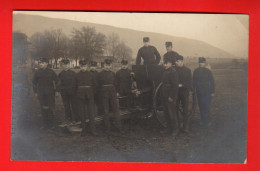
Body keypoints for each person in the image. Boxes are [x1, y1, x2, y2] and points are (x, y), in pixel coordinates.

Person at [96, 59, 123, 134]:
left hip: (112, 93)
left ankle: (119, 128)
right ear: (103, 65)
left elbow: (116, 84)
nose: (107, 67)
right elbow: (97, 85)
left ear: (110, 65)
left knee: (116, 110)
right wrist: (101, 93)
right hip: (104, 93)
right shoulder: (99, 74)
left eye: (109, 65)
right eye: (106, 65)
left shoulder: (113, 74)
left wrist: (117, 92)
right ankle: (107, 128)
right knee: (106, 111)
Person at [32, 58, 58, 129]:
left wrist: (56, 91)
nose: (41, 64)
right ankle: (44, 124)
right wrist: (35, 92)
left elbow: (57, 81)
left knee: (51, 108)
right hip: (41, 93)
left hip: (50, 93)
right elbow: (34, 83)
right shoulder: (37, 72)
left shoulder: (51, 72)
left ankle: (51, 124)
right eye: (40, 63)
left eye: (43, 63)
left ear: (46, 64)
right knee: (43, 108)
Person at [76, 60, 97, 136]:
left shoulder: (91, 75)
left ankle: (93, 130)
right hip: (80, 96)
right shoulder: (77, 75)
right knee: (82, 113)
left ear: (87, 66)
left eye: (84, 66)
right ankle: (84, 130)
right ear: (80, 66)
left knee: (91, 113)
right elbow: (75, 86)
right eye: (82, 66)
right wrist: (78, 94)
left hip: (90, 95)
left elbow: (95, 85)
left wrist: (91, 93)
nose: (83, 68)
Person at [193, 57, 215, 128]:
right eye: (199, 62)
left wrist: (212, 91)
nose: (200, 64)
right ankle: (203, 120)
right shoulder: (196, 71)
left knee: (207, 106)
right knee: (201, 106)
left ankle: (208, 121)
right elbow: (194, 82)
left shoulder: (208, 71)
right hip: (199, 92)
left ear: (205, 63)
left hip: (207, 92)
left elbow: (212, 82)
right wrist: (194, 90)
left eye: (202, 62)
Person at [160, 56, 179, 136]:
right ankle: (168, 128)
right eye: (164, 63)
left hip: (170, 96)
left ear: (171, 63)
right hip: (164, 95)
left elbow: (175, 86)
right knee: (166, 113)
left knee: (172, 113)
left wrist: (171, 96)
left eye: (167, 63)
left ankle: (175, 129)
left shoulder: (173, 72)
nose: (165, 65)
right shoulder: (165, 72)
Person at [175, 55, 192, 133]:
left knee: (185, 110)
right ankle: (177, 126)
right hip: (176, 92)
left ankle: (185, 127)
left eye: (177, 61)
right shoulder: (174, 70)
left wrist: (182, 85)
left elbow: (189, 82)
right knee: (175, 110)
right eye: (176, 61)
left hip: (184, 92)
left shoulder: (187, 70)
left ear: (182, 61)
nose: (176, 63)